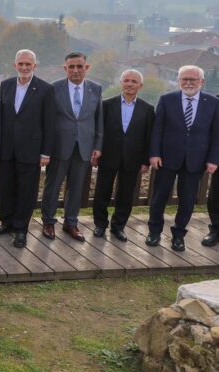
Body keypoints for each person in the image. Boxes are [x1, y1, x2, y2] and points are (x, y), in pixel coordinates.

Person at [147, 65, 219, 251]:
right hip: (166, 159)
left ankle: (179, 236)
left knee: (187, 201)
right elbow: (157, 129)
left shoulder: (213, 103)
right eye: (184, 79)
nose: (188, 83)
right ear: (179, 80)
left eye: (192, 79)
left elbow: (216, 134)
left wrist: (213, 159)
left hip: (196, 161)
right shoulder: (166, 99)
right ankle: (154, 232)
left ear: (201, 82)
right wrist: (154, 153)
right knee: (159, 198)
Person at [0, 49, 54, 249]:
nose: (24, 67)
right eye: (21, 64)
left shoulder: (45, 89)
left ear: (35, 66)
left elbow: (49, 123)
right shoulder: (6, 85)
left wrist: (45, 152)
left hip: (31, 150)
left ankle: (20, 229)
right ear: (15, 65)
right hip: (8, 148)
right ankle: (6, 223)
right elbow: (3, 117)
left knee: (26, 191)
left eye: (28, 64)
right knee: (6, 187)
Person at [40, 52, 103, 242]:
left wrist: (98, 146)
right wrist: (46, 149)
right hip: (60, 147)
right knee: (53, 186)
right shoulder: (54, 88)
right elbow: (48, 121)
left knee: (76, 187)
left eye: (79, 66)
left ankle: (71, 222)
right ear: (65, 68)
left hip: (84, 146)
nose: (75, 70)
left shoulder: (96, 89)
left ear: (87, 67)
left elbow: (98, 119)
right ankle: (49, 222)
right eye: (71, 67)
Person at [92, 69, 153, 241]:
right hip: (108, 156)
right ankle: (100, 225)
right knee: (102, 191)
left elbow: (148, 137)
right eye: (126, 80)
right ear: (121, 83)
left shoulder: (147, 109)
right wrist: (96, 152)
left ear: (140, 85)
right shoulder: (106, 105)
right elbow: (99, 131)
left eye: (134, 81)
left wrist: (145, 161)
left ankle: (118, 227)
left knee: (126, 195)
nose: (129, 84)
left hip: (133, 159)